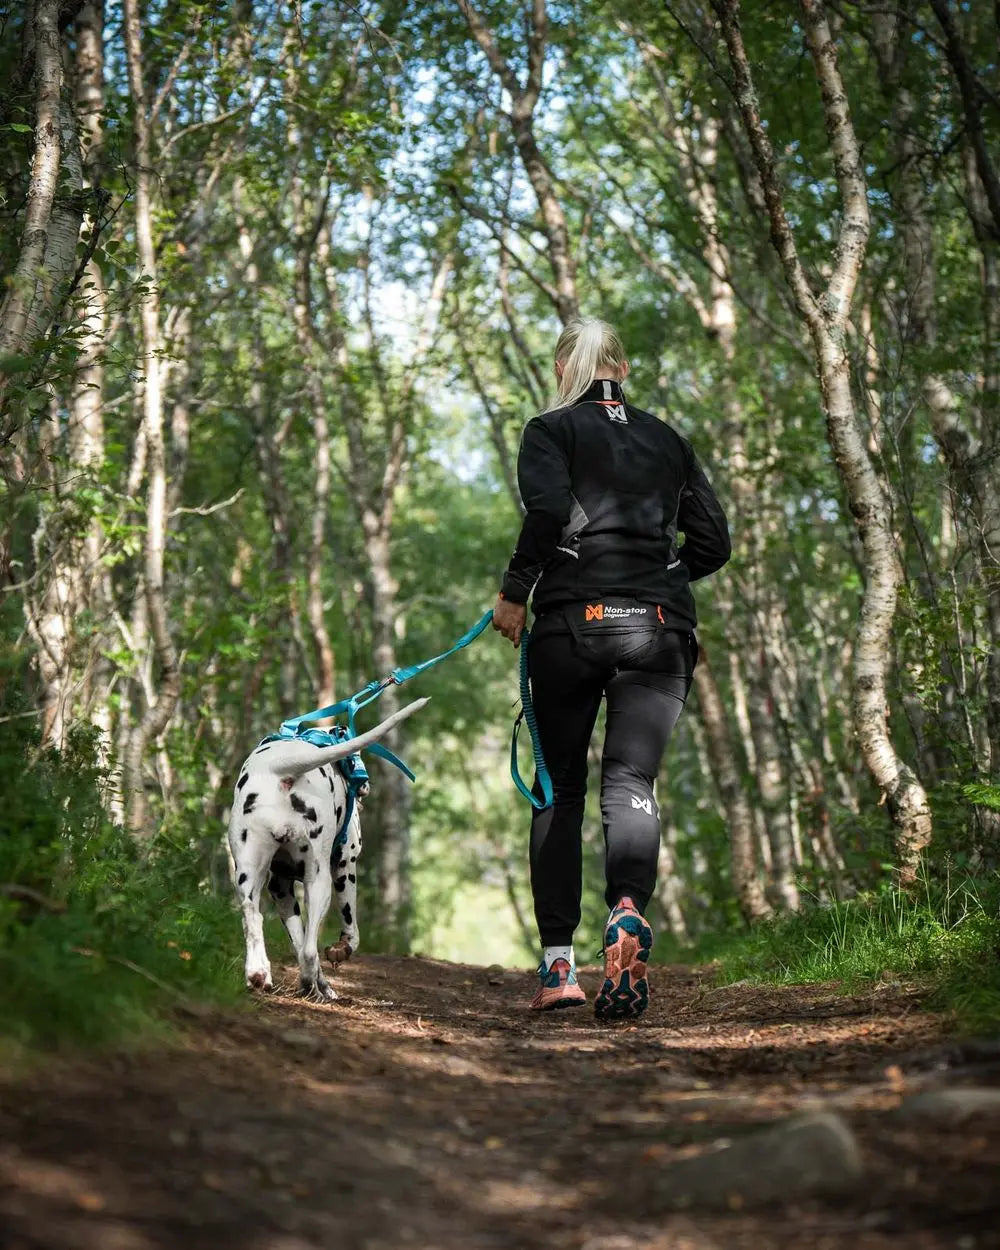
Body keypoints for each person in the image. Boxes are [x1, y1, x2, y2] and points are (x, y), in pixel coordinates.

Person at [492, 318, 731, 1019]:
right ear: (621, 368)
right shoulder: (669, 440)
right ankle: (627, 909)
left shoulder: (550, 429)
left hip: (572, 626)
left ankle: (559, 968)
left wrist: (514, 592)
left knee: (559, 789)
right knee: (630, 783)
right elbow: (713, 543)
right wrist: (663, 582)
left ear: (563, 367)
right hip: (659, 630)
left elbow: (547, 512)